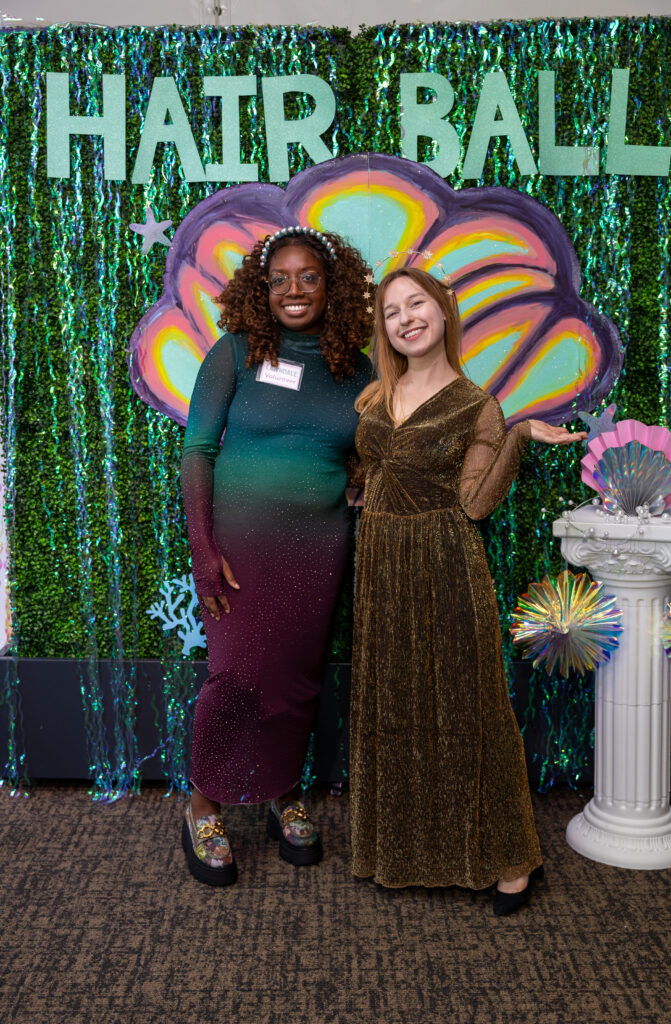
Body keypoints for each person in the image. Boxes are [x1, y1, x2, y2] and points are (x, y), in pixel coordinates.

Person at [350, 266, 587, 915]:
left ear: (443, 309)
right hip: (379, 564)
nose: (405, 318)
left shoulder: (476, 405)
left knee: (467, 706)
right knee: (393, 703)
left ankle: (510, 858)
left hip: (445, 562)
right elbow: (369, 471)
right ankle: (404, 849)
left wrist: (518, 435)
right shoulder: (372, 398)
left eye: (416, 304)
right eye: (392, 311)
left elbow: (475, 505)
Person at [180, 226, 373, 886]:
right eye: (279, 279)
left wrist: (360, 477)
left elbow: (370, 448)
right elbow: (197, 452)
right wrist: (203, 552)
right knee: (235, 674)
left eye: (308, 276)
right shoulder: (234, 352)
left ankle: (282, 791)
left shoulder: (358, 368)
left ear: (331, 285)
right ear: (260, 290)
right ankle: (203, 805)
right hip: (239, 545)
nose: (294, 289)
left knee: (295, 679)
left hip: (318, 547)